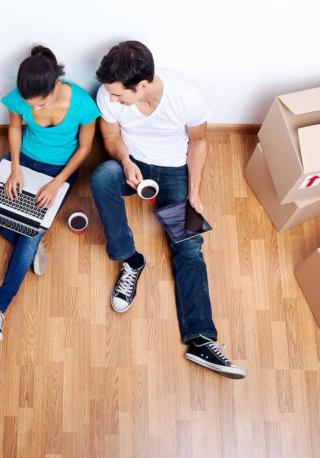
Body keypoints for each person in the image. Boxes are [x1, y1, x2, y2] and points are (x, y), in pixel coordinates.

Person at [90, 41, 246, 378]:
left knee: (189, 247)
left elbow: (200, 142)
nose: (112, 100)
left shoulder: (186, 97)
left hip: (174, 170)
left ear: (142, 85)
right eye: (111, 95)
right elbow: (111, 135)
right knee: (102, 176)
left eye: (119, 96)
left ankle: (201, 340)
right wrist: (125, 160)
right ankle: (131, 260)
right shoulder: (109, 94)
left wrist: (194, 193)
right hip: (134, 165)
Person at [0, 46, 100, 341]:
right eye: (28, 104)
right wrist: (15, 168)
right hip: (23, 160)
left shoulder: (82, 104)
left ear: (56, 86)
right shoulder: (18, 98)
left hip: (58, 172)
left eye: (41, 103)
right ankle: (27, 242)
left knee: (31, 233)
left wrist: (57, 183)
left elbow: (85, 148)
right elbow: (14, 128)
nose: (35, 110)